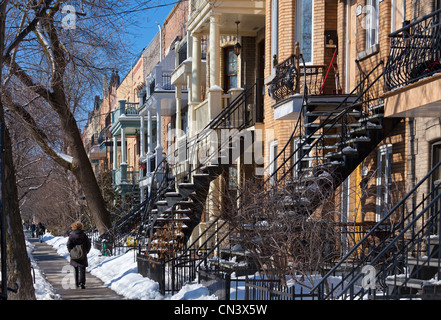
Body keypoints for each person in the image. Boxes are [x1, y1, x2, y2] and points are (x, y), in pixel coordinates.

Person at [66, 221, 91, 289]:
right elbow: (88, 244)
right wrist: (86, 251)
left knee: (75, 268)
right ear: (81, 227)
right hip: (83, 253)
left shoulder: (71, 236)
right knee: (82, 269)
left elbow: (69, 244)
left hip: (74, 254)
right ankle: (82, 283)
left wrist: (71, 251)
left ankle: (76, 283)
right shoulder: (84, 235)